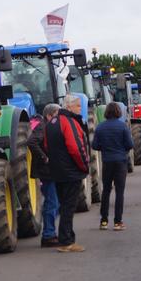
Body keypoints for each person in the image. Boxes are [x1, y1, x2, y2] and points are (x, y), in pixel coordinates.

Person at [44, 94, 89, 252]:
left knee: (64, 206)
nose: (80, 109)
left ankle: (66, 238)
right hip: (71, 172)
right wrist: (84, 166)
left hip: (57, 172)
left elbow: (46, 146)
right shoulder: (69, 122)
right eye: (78, 106)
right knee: (69, 207)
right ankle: (67, 242)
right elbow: (76, 147)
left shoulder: (51, 123)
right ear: (69, 107)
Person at [92, 102, 134, 230]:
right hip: (121, 161)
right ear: (118, 112)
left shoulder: (100, 127)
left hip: (107, 161)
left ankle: (104, 221)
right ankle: (118, 222)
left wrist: (104, 148)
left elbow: (95, 146)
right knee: (119, 192)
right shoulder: (123, 127)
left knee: (106, 190)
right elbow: (130, 144)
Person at [28, 104, 62, 248]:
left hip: (51, 171)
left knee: (56, 203)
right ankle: (48, 235)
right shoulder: (43, 127)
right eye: (57, 115)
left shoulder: (46, 126)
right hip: (47, 172)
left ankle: (50, 231)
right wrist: (45, 158)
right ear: (49, 115)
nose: (59, 118)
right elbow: (31, 142)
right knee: (52, 203)